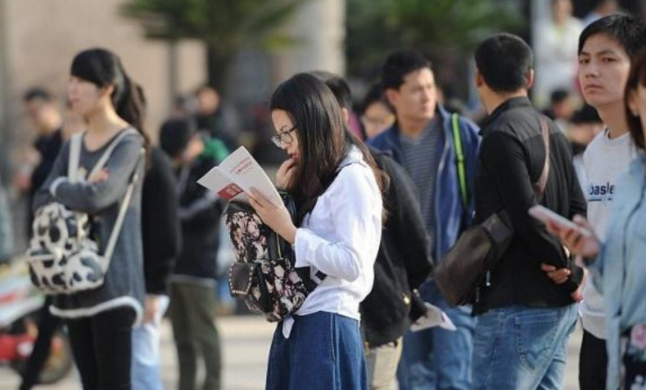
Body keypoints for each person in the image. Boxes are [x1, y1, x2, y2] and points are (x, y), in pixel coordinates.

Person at [247, 73, 385, 390]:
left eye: (287, 133)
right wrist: (284, 196)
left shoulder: (352, 177)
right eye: (279, 136)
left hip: (328, 324)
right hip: (300, 321)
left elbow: (353, 263)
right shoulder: (320, 176)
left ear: (312, 122)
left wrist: (291, 231)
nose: (285, 145)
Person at [470, 33, 586, 390]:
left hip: (515, 304)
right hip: (557, 306)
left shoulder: (499, 135)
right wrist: (571, 271)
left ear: (479, 79)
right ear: (530, 77)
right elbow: (578, 208)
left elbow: (526, 214)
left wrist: (564, 269)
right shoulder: (553, 130)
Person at [33, 48, 147, 390]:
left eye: (81, 81)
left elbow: (102, 195)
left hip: (113, 283)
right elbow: (40, 199)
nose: (73, 90)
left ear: (107, 87)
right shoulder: (72, 146)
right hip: (72, 284)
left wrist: (62, 187)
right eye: (70, 81)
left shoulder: (129, 142)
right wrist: (75, 188)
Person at [312, 70, 433, 390]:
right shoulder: (303, 177)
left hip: (378, 317)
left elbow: (416, 241)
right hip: (326, 322)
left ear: (339, 116)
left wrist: (400, 291)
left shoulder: (378, 169)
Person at [368, 50, 480, 390]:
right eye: (417, 89)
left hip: (454, 278)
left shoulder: (462, 136)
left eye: (430, 86)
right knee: (415, 381)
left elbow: (481, 203)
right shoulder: (377, 151)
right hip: (406, 286)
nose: (427, 95)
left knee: (455, 379)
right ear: (393, 96)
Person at [547, 46, 646, 390]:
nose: (590, 71)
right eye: (585, 60)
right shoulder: (595, 151)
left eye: (606, 60)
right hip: (599, 325)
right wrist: (586, 252)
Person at [159, 118, 223, 390]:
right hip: (173, 266)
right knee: (181, 336)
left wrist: (171, 217)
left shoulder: (213, 169)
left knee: (204, 334)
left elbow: (207, 209)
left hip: (200, 265)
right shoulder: (172, 170)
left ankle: (212, 384)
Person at [132, 90, 182, 390]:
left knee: (142, 367)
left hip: (147, 283)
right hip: (125, 281)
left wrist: (155, 288)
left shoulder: (153, 162)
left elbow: (167, 231)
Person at [534, 0, 584, 108]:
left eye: (564, 7)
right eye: (558, 7)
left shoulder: (577, 26)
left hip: (570, 75)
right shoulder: (542, 27)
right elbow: (540, 52)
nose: (561, 10)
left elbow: (580, 51)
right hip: (548, 77)